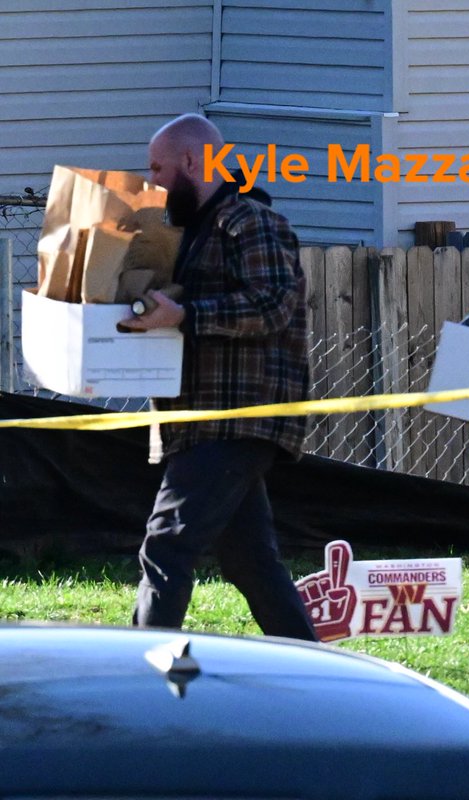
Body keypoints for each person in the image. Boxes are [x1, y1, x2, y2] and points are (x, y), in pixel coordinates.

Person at [121, 114, 317, 642]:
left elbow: (273, 304)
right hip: (200, 420)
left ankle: (136, 677)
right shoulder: (186, 233)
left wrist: (184, 315)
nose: (153, 181)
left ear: (191, 162)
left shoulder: (249, 221)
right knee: (252, 562)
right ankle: (314, 673)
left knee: (167, 543)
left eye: (159, 168)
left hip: (236, 417)